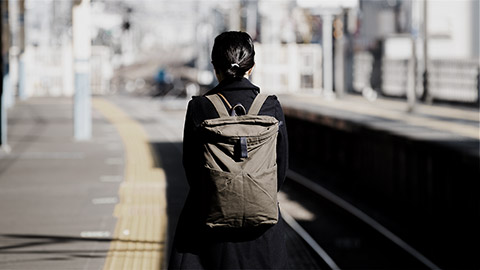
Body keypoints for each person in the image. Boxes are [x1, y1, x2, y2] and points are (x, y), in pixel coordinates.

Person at [168, 31, 289, 269]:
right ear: (251, 67)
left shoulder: (199, 108)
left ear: (215, 68)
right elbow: (281, 169)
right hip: (263, 232)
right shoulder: (271, 106)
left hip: (210, 230)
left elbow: (191, 170)